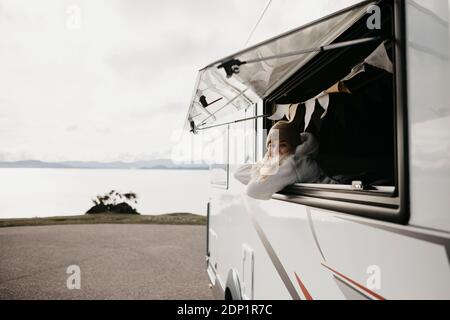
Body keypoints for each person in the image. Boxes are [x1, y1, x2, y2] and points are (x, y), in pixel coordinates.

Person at [234, 121, 337, 200]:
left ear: (294, 147)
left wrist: (268, 163)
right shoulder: (284, 161)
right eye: (272, 145)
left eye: (283, 145)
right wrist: (267, 160)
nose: (276, 150)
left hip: (336, 200)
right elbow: (238, 173)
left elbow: (253, 191)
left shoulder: (295, 162)